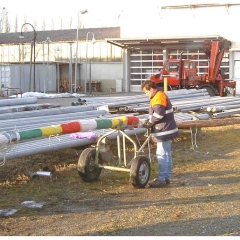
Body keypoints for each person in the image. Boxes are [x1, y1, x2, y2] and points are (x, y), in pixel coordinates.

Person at [141, 80, 178, 188]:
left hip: (163, 130)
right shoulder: (159, 95)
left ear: (151, 89)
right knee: (166, 154)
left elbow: (158, 114)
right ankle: (166, 177)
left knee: (161, 154)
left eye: (146, 92)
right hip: (166, 128)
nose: (146, 95)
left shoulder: (158, 97)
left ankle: (161, 178)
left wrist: (149, 123)